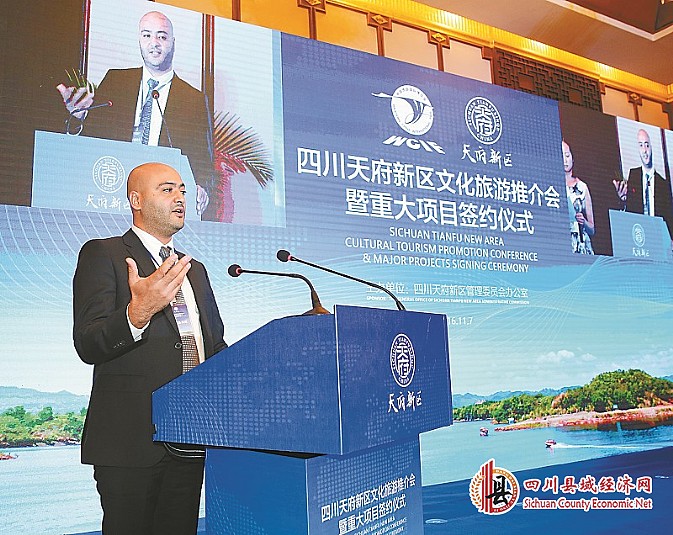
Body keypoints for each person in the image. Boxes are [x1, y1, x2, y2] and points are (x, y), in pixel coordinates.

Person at [72, 162, 226, 534]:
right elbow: (89, 343)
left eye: (183, 191)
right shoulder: (104, 254)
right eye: (167, 189)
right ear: (136, 200)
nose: (180, 198)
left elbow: (214, 346)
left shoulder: (194, 269)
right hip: (130, 441)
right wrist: (137, 312)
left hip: (190, 438)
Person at [57, 11, 213, 217]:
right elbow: (92, 138)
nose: (154, 43)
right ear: (139, 40)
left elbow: (204, 160)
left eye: (162, 36)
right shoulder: (115, 81)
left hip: (162, 203)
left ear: (173, 43)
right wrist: (78, 118)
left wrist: (201, 187)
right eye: (147, 35)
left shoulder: (193, 100)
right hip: (112, 192)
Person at [613, 128, 673, 239]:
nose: (644, 150)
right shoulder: (633, 175)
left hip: (658, 237)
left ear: (651, 148)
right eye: (641, 145)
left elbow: (669, 217)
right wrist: (623, 201)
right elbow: (629, 212)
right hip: (639, 237)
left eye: (647, 145)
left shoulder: (663, 184)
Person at [562, 140, 595, 254]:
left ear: (573, 158)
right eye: (562, 156)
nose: (565, 160)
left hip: (582, 245)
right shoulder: (553, 187)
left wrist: (583, 221)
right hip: (563, 245)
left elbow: (592, 229)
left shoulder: (582, 187)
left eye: (567, 155)